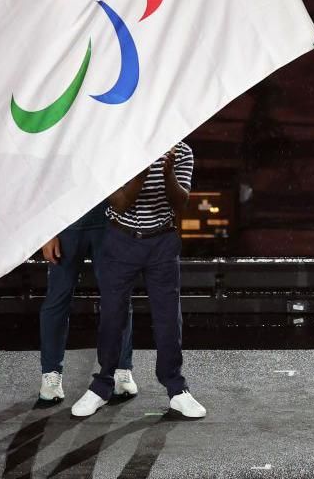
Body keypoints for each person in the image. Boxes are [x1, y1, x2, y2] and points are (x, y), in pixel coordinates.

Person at [70, 142, 207, 419]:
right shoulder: (113, 147)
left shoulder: (183, 151)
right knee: (112, 316)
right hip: (120, 240)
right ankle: (102, 386)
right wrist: (143, 167)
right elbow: (120, 203)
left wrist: (167, 172)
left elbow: (180, 203)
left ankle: (176, 389)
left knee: (169, 318)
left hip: (162, 241)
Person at [37, 201, 137, 402]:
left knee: (117, 297)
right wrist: (46, 232)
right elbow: (45, 179)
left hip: (110, 222)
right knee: (57, 299)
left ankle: (121, 367)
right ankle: (51, 373)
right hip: (66, 223)